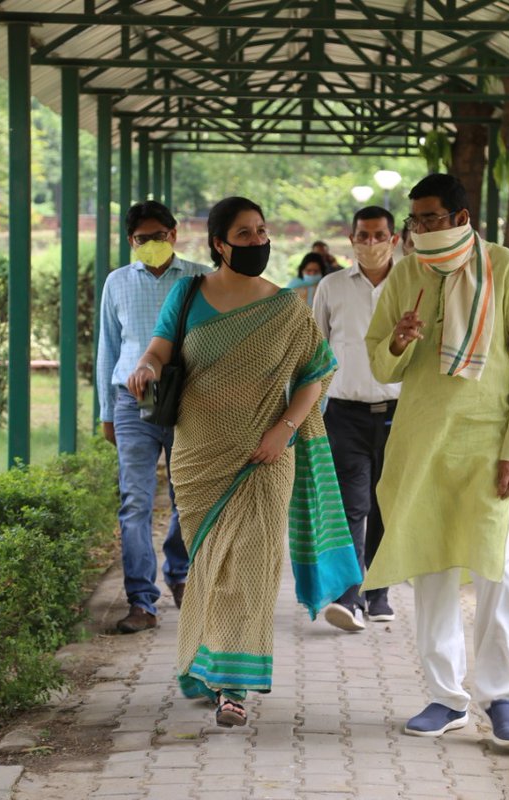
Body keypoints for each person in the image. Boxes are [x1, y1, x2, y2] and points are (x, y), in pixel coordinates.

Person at [126, 196, 360, 728]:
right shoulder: (188, 294)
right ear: (218, 243)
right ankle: (205, 664)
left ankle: (234, 686)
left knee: (250, 569)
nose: (257, 241)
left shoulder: (284, 307)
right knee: (210, 566)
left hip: (265, 457)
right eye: (245, 233)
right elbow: (161, 349)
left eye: (261, 231)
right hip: (198, 454)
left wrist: (284, 432)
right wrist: (145, 365)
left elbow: (317, 373)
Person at [363, 174, 509, 748]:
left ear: (460, 216)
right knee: (433, 572)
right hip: (424, 447)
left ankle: (500, 697)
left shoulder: (506, 269)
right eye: (413, 222)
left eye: (427, 220)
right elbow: (378, 364)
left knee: (498, 575)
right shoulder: (406, 273)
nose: (417, 230)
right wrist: (398, 340)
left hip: (492, 451)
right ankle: (446, 698)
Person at [97, 201, 212, 634]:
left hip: (188, 397)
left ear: (174, 234)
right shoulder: (117, 282)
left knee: (188, 496)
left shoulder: (201, 279)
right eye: (141, 239)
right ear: (131, 242)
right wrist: (107, 413)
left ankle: (180, 575)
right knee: (135, 502)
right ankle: (141, 601)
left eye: (158, 236)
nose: (151, 245)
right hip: (132, 399)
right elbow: (108, 345)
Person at [312, 206, 402, 632]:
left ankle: (378, 593)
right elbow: (316, 351)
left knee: (385, 504)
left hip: (399, 414)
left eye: (378, 235)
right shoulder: (331, 287)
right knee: (353, 505)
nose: (371, 243)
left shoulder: (412, 286)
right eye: (363, 236)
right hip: (344, 413)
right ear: (351, 240)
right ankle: (348, 598)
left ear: (395, 239)